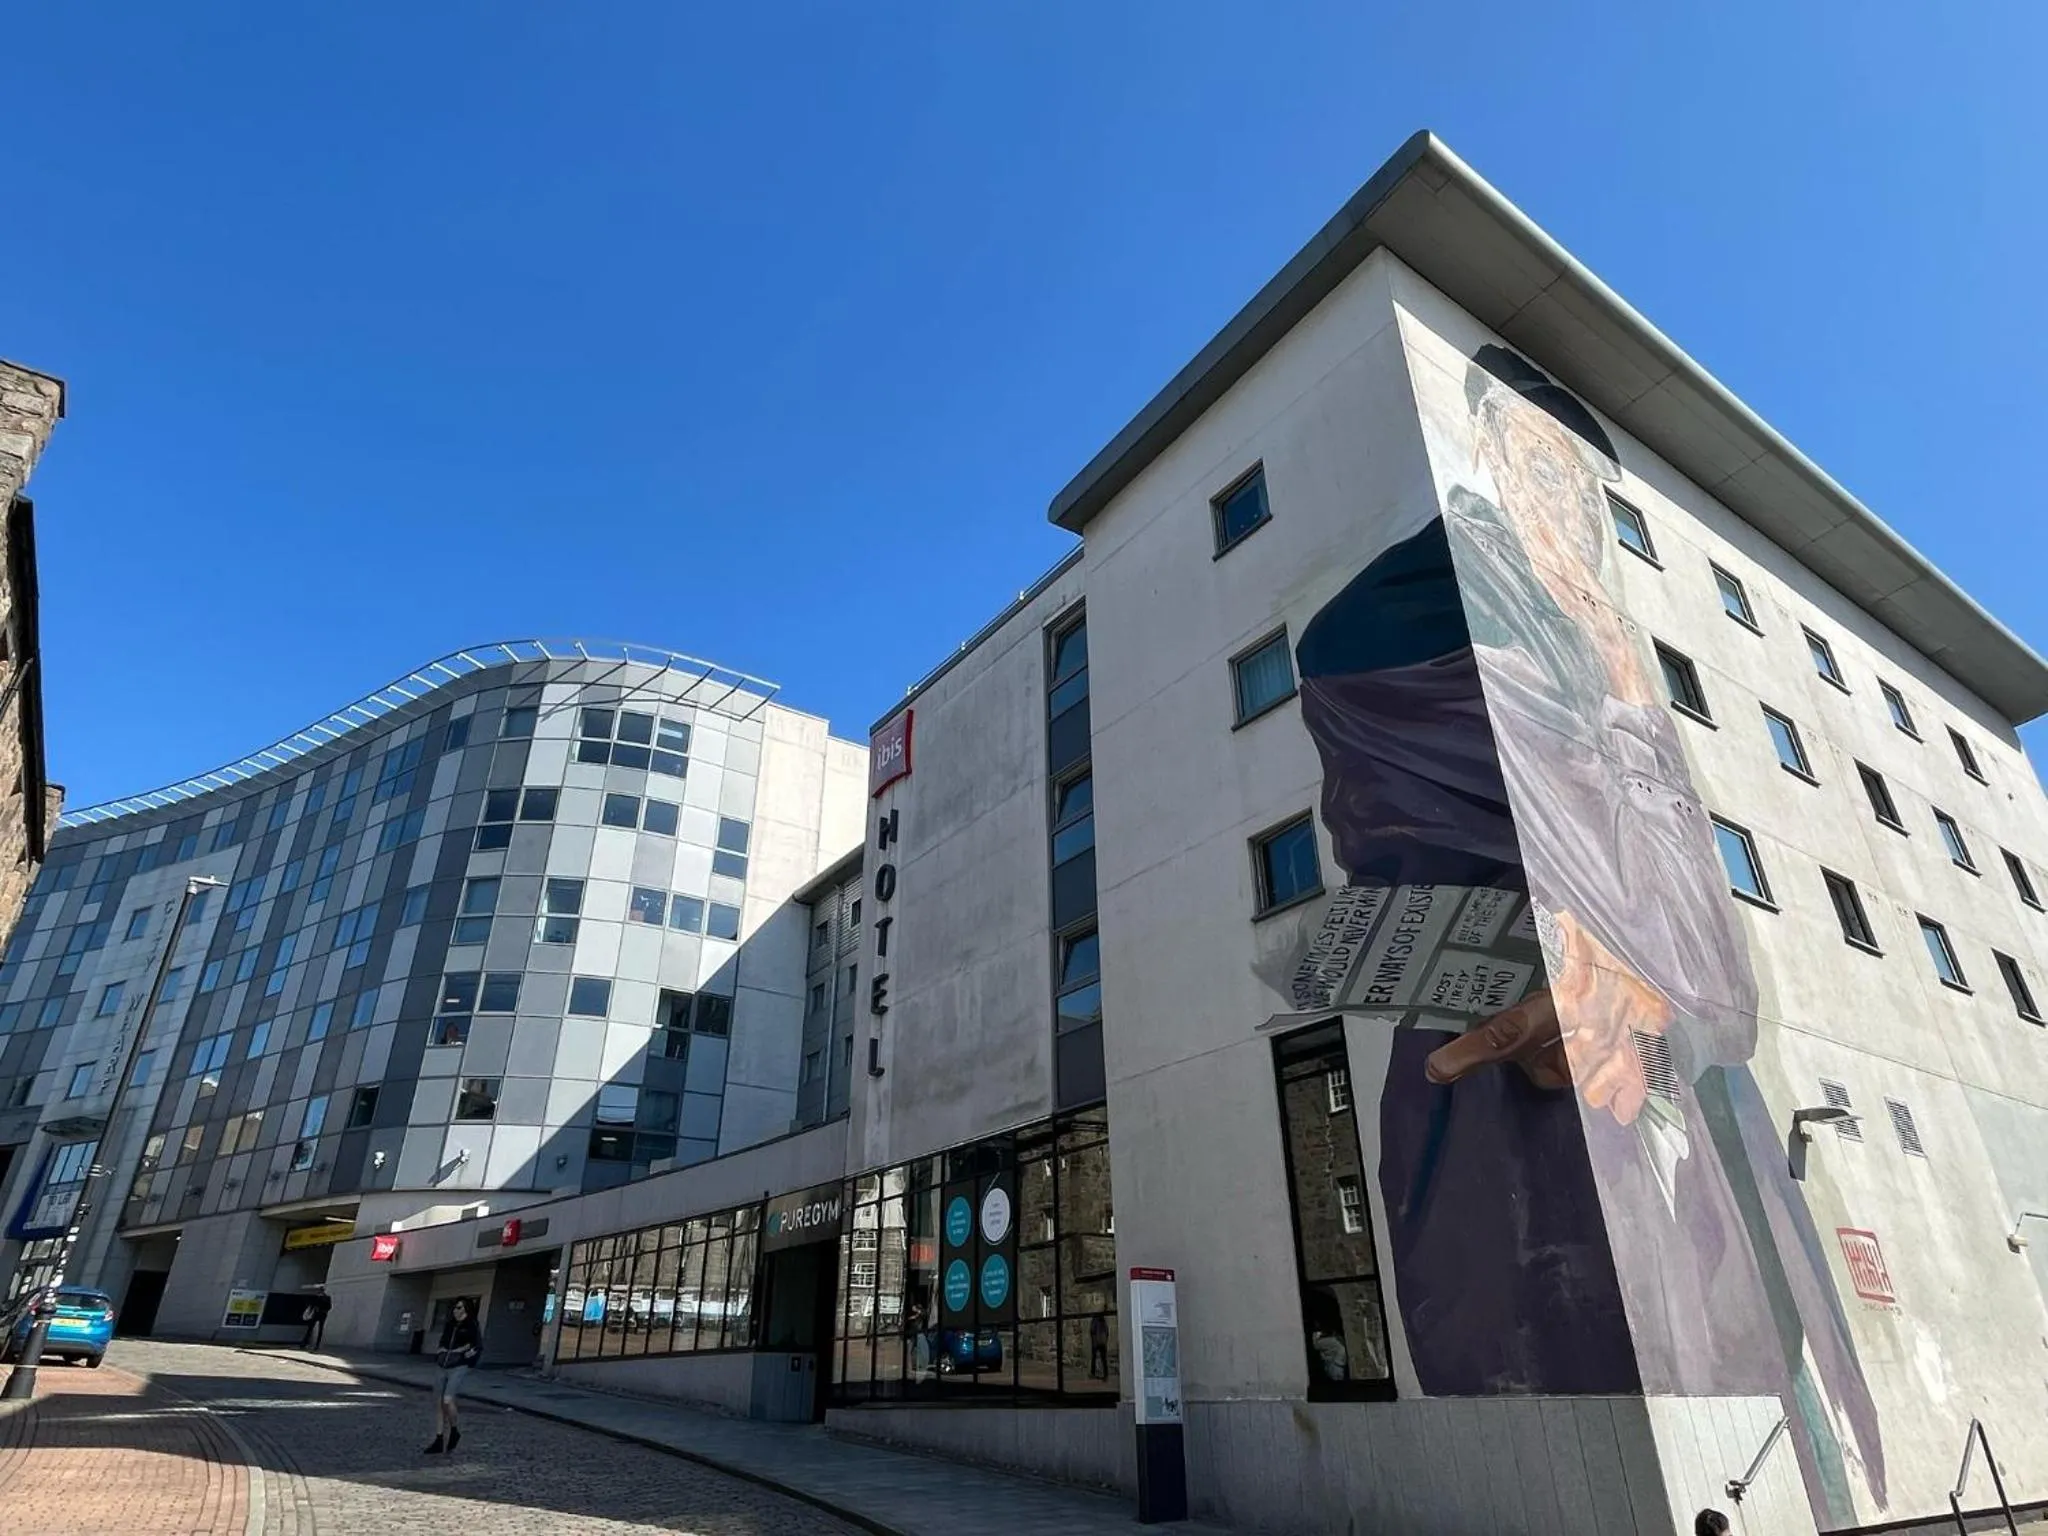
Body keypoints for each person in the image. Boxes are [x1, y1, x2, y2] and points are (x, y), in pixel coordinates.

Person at [425, 1297, 483, 1454]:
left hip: (458, 1366)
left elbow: (477, 1346)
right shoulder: (450, 1325)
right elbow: (443, 1341)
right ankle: (439, 1438)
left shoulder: (471, 1325)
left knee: (447, 1399)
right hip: (443, 1364)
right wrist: (440, 1352)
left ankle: (454, 1429)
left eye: (460, 1308)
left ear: (467, 1310)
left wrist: (466, 1357)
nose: (457, 1311)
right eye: (456, 1308)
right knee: (439, 1402)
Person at [1088, 1312, 1109, 1380]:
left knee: (1094, 1358)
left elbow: (1092, 1330)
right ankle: (1105, 1374)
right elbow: (1107, 1332)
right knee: (1104, 1359)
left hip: (1096, 1342)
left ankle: (1093, 1373)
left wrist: (1093, 1338)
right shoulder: (1103, 1321)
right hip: (1103, 1342)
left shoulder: (1094, 1321)